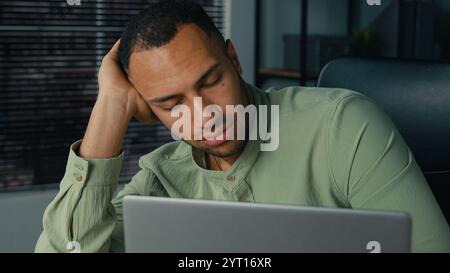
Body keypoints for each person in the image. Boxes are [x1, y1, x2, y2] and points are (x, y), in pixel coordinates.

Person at [35, 0, 450, 253]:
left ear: (234, 60)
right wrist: (111, 104)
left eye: (210, 81)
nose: (202, 114)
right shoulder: (160, 181)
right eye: (170, 102)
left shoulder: (341, 125)